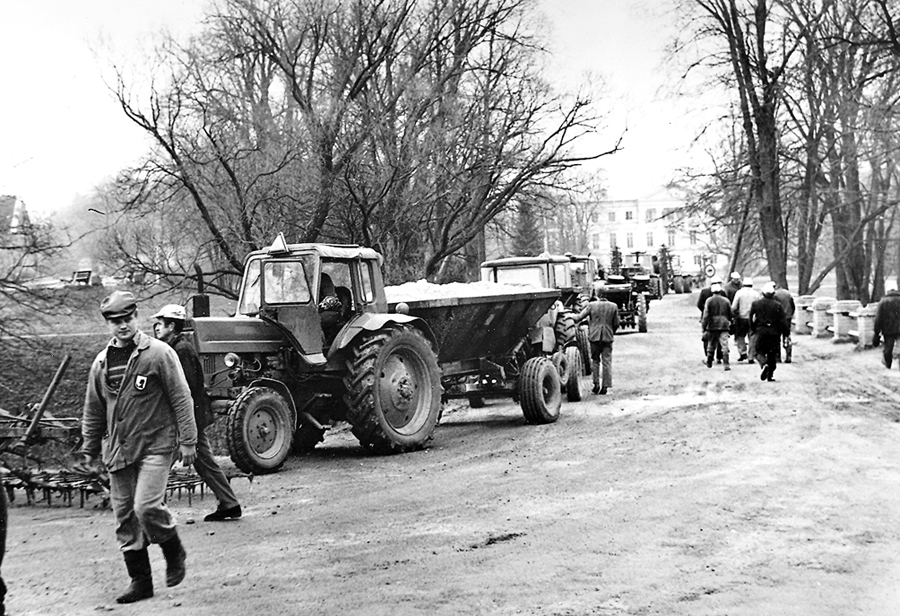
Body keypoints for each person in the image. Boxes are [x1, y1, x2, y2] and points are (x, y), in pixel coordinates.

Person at [80, 291, 198, 604]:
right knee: (124, 517)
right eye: (115, 321)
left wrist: (188, 441)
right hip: (118, 448)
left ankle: (173, 550)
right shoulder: (102, 363)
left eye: (127, 319)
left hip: (156, 445)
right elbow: (93, 409)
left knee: (146, 507)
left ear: (137, 317)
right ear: (107, 324)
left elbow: (181, 397)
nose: (122, 326)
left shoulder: (158, 353)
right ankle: (141, 581)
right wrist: (90, 450)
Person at [152, 304, 242, 522]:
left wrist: (183, 422)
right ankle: (229, 503)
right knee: (204, 462)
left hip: (186, 417)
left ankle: (147, 505)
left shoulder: (180, 350)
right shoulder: (177, 347)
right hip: (191, 416)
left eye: (160, 323)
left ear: (171, 326)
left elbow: (186, 388)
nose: (156, 327)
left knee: (162, 458)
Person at [574, 284, 619, 395]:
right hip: (607, 337)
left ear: (597, 294)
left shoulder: (591, 305)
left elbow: (579, 317)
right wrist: (611, 332)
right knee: (606, 362)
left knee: (595, 361)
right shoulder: (613, 306)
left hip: (594, 337)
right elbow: (616, 323)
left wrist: (570, 316)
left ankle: (596, 384)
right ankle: (605, 386)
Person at [749, 282, 789, 382]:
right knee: (772, 353)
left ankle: (763, 364)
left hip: (761, 331)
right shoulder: (778, 305)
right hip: (774, 333)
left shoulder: (756, 304)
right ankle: (770, 374)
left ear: (763, 293)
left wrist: (753, 329)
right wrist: (786, 333)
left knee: (759, 351)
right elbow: (783, 320)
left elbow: (751, 318)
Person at [702, 282, 732, 371]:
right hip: (724, 324)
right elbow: (730, 313)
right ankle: (726, 364)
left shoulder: (709, 301)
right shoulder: (726, 301)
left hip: (712, 325)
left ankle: (709, 361)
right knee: (724, 344)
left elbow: (706, 315)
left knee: (711, 344)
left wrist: (704, 326)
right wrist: (728, 320)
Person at [731, 276, 761, 363]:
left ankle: (742, 352)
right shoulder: (756, 294)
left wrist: (735, 314)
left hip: (741, 318)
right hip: (753, 319)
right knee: (752, 337)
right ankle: (751, 356)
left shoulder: (739, 293)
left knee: (740, 336)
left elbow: (733, 307)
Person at [697, 276, 724, 362]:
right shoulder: (722, 293)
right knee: (720, 337)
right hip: (720, 318)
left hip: (707, 318)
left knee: (707, 337)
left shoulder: (704, 292)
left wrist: (705, 311)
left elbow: (699, 304)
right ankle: (719, 356)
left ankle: (708, 356)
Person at [873, 283, 900, 369]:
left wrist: (877, 332)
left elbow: (878, 317)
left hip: (888, 329)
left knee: (888, 348)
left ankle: (888, 364)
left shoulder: (883, 302)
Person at [772, 283, 796, 363]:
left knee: (776, 338)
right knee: (787, 336)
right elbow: (793, 306)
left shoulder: (775, 295)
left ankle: (777, 357)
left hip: (778, 319)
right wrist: (790, 314)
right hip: (787, 318)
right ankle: (788, 355)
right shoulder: (788, 293)